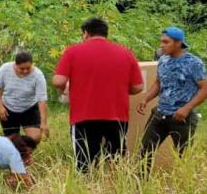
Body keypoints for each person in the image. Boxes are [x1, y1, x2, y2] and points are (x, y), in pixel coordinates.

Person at [52, 17, 145, 173]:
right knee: (115, 160)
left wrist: (65, 89)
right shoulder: (125, 53)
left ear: (86, 33)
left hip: (84, 115)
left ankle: (87, 191)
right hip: (117, 116)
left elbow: (58, 80)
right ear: (105, 33)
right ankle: (114, 191)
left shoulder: (73, 51)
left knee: (84, 163)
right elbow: (138, 87)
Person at [138, 27, 207, 170]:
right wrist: (145, 99)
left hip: (181, 118)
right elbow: (158, 83)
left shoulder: (194, 63)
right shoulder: (163, 60)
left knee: (183, 156)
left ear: (178, 43)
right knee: (145, 152)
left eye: (166, 42)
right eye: (161, 42)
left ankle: (184, 186)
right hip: (160, 114)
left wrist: (186, 108)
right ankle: (140, 186)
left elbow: (205, 89)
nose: (161, 45)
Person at [0, 51, 49, 143]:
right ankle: (16, 149)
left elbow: (42, 100)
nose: (25, 71)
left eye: (28, 68)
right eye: (22, 68)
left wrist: (44, 122)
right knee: (11, 141)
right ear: (15, 65)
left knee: (35, 137)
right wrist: (0, 106)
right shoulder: (5, 69)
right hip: (8, 109)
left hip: (29, 108)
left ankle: (24, 150)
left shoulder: (38, 76)